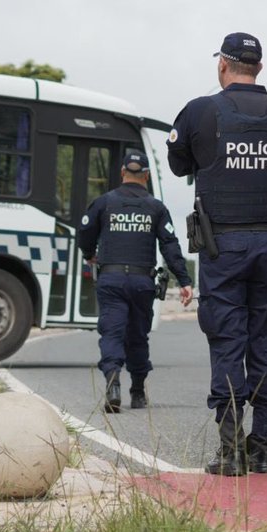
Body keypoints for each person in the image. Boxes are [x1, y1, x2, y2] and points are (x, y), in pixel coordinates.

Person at [167, 32, 267, 476]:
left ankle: (231, 449)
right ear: (259, 68)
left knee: (228, 340)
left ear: (223, 66)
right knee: (266, 341)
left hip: (224, 249)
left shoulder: (201, 111)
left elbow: (179, 164)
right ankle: (264, 446)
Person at [77, 151, 193, 413]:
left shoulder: (104, 203)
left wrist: (89, 254)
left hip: (112, 279)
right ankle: (138, 392)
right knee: (138, 337)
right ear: (147, 176)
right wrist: (184, 280)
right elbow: (170, 246)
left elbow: (85, 231)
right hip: (142, 282)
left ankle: (113, 381)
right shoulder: (156, 207)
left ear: (121, 173)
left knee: (113, 332)